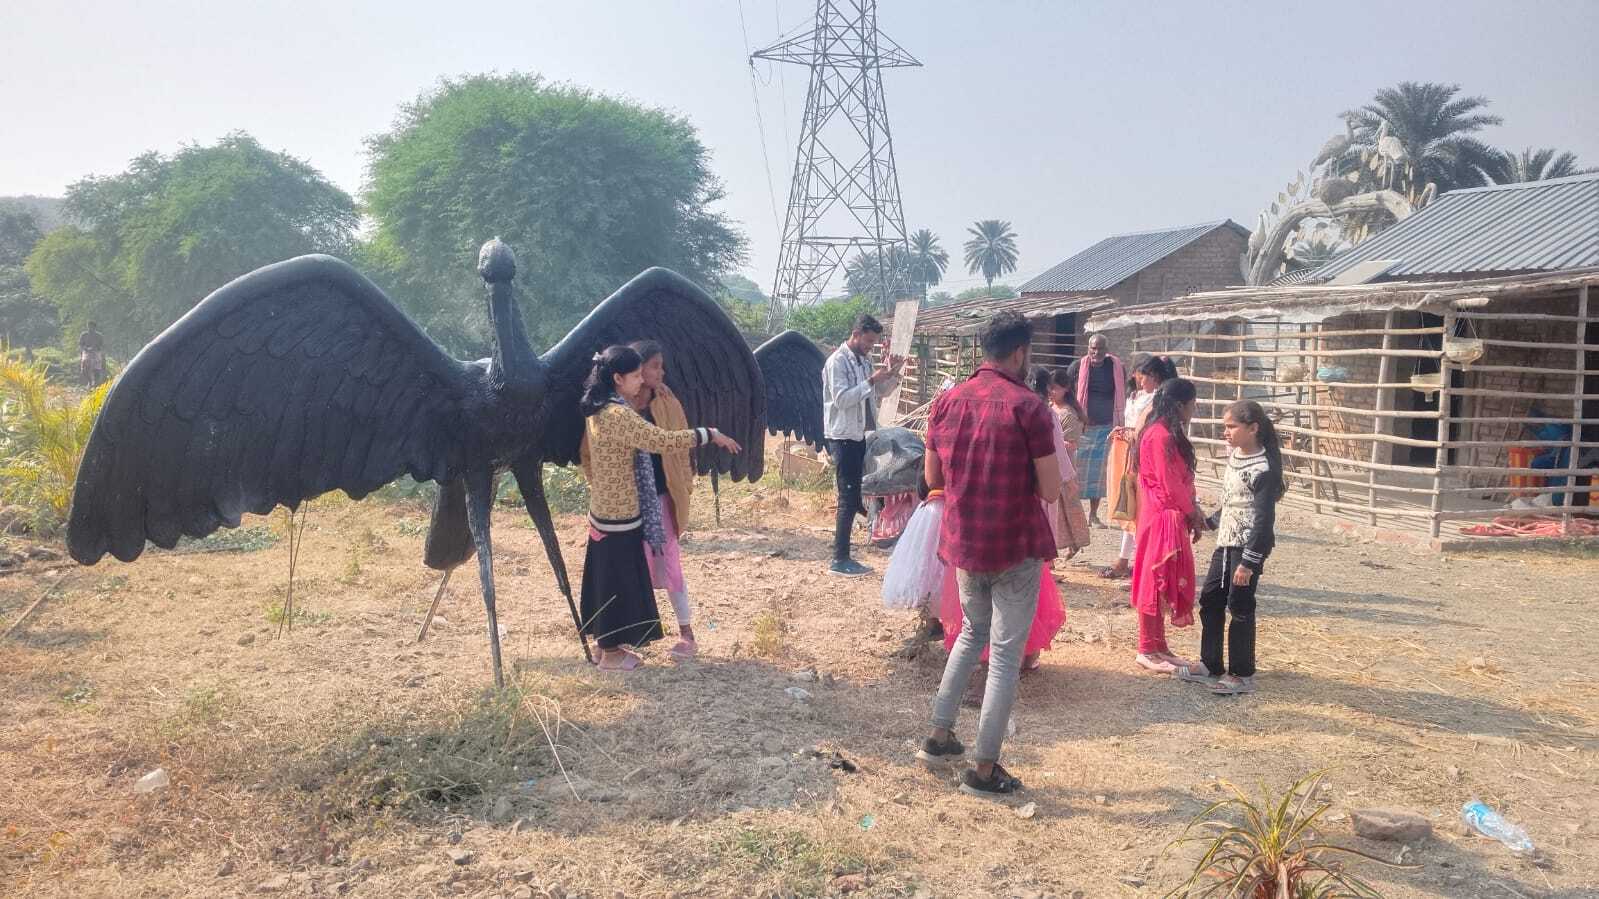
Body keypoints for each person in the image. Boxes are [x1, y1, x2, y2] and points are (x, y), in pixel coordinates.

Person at [916, 311, 1060, 799]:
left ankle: (938, 737)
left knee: (970, 634)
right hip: (1014, 544)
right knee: (1004, 654)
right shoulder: (1030, 408)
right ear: (1020, 352)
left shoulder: (946, 402)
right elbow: (1049, 489)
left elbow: (932, 479)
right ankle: (983, 768)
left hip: (965, 544)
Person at [577, 345, 741, 671]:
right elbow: (662, 441)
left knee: (606, 578)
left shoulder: (599, 407)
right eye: (637, 375)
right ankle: (612, 654)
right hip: (620, 515)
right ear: (618, 378)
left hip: (604, 512)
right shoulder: (619, 414)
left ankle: (604, 646)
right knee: (618, 581)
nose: (643, 380)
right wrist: (710, 434)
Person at [1177, 400, 1285, 695]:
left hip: (1247, 546)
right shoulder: (1235, 456)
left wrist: (1249, 562)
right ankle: (1210, 663)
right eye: (1224, 426)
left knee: (1240, 605)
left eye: (1231, 426)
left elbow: (1263, 521)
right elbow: (1232, 501)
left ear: (1253, 429)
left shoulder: (1263, 469)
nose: (1225, 432)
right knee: (1211, 598)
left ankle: (1241, 673)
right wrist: (1209, 523)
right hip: (1226, 542)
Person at [1128, 377, 1203, 675]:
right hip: (1161, 515)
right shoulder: (1159, 436)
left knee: (1164, 580)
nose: (1193, 410)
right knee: (1155, 580)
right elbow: (1170, 484)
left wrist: (1191, 509)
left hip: (1167, 514)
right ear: (1181, 405)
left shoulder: (1164, 433)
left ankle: (1159, 646)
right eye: (1192, 405)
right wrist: (1193, 513)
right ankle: (1146, 648)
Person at [822, 314, 903, 577]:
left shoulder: (864, 361)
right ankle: (840, 559)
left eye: (874, 342)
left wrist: (892, 374)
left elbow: (878, 393)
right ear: (856, 334)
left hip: (859, 435)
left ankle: (846, 552)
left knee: (855, 494)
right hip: (842, 436)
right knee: (847, 498)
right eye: (868, 341)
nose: (871, 347)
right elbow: (842, 399)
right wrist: (871, 381)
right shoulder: (837, 362)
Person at [1102, 355, 1178, 580]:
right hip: (1128, 453)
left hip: (1145, 456)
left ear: (1155, 376)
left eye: (1143, 375)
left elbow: (1149, 430)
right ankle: (1126, 558)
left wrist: (1130, 433)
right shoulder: (1136, 396)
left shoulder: (1160, 400)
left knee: (1142, 506)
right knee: (1129, 504)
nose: (1138, 379)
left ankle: (1139, 560)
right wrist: (1125, 432)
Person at [1066, 335, 1125, 526]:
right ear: (1088, 348)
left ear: (1107, 349)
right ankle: (1075, 516)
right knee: (1074, 472)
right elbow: (1067, 393)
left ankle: (1093, 515)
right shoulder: (1077, 367)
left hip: (1106, 428)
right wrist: (1078, 414)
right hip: (1082, 428)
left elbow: (1122, 392)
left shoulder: (1116, 367)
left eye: (1100, 349)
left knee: (1098, 475)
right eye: (1093, 348)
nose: (1096, 352)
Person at [1046, 368, 1092, 558]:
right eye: (1050, 388)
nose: (1051, 392)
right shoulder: (1050, 408)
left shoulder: (1069, 414)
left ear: (1065, 389)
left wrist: (1052, 442)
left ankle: (1075, 542)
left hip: (1064, 466)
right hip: (1050, 464)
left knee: (1068, 507)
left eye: (1055, 388)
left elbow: (1072, 444)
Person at [78, 321, 106, 388]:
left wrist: (96, 348)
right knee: (84, 369)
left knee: (97, 369)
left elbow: (102, 345)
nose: (90, 328)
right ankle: (89, 382)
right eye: (89, 326)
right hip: (86, 353)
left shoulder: (99, 336)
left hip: (96, 353)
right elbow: (80, 344)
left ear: (94, 327)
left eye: (92, 326)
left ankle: (96, 383)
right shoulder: (84, 335)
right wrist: (86, 348)